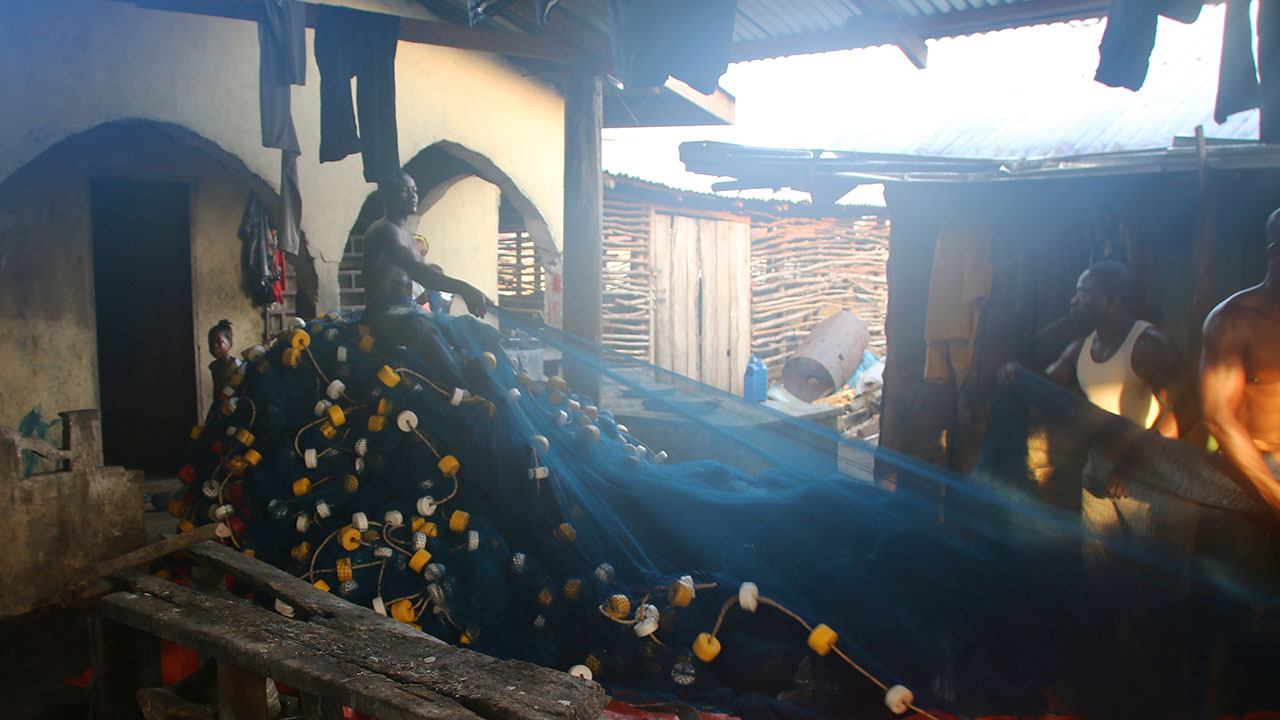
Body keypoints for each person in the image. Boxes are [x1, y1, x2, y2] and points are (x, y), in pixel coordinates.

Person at [361, 171, 488, 388]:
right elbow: (419, 271)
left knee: (466, 327)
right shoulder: (383, 229)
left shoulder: (408, 236)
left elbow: (429, 271)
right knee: (419, 326)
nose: (412, 196)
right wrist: (463, 288)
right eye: (405, 191)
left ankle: (495, 381)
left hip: (409, 309)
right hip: (382, 315)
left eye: (415, 191)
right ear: (386, 196)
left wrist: (475, 293)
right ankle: (463, 390)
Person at [1201, 210, 1280, 521]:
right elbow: (1219, 417)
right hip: (1249, 472)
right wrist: (1274, 493)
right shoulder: (1233, 320)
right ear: (1276, 252)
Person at [207, 319, 241, 405]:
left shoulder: (238, 366)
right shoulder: (213, 366)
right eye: (211, 342)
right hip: (218, 407)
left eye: (219, 342)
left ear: (230, 344)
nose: (214, 345)